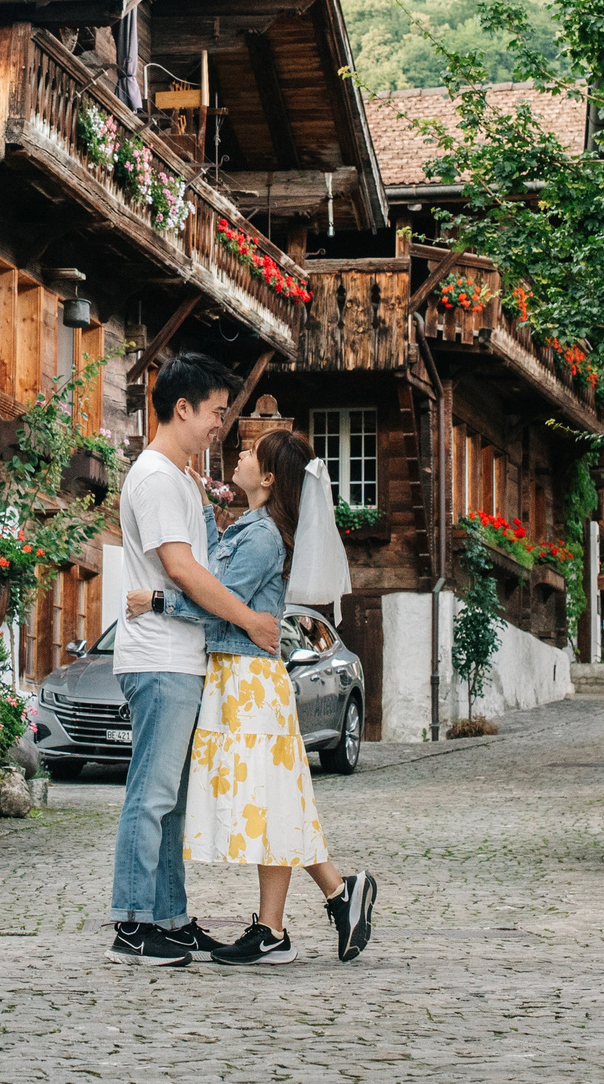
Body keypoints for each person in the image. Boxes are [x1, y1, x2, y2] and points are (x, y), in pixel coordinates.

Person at [129, 428, 377, 965]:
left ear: (267, 477)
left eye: (248, 453)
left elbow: (211, 598)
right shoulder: (252, 525)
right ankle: (319, 905)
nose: (237, 456)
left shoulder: (263, 536)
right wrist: (200, 506)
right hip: (240, 678)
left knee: (272, 799)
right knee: (276, 798)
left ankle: (292, 921)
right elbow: (215, 571)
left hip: (247, 683)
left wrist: (154, 600)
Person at [105, 351, 283, 967]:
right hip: (159, 658)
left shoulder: (180, 476)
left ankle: (171, 919)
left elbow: (195, 568)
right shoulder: (154, 476)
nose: (218, 425)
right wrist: (250, 618)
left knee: (172, 800)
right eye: (213, 412)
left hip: (182, 656)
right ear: (181, 408)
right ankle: (131, 925)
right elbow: (182, 568)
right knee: (150, 795)